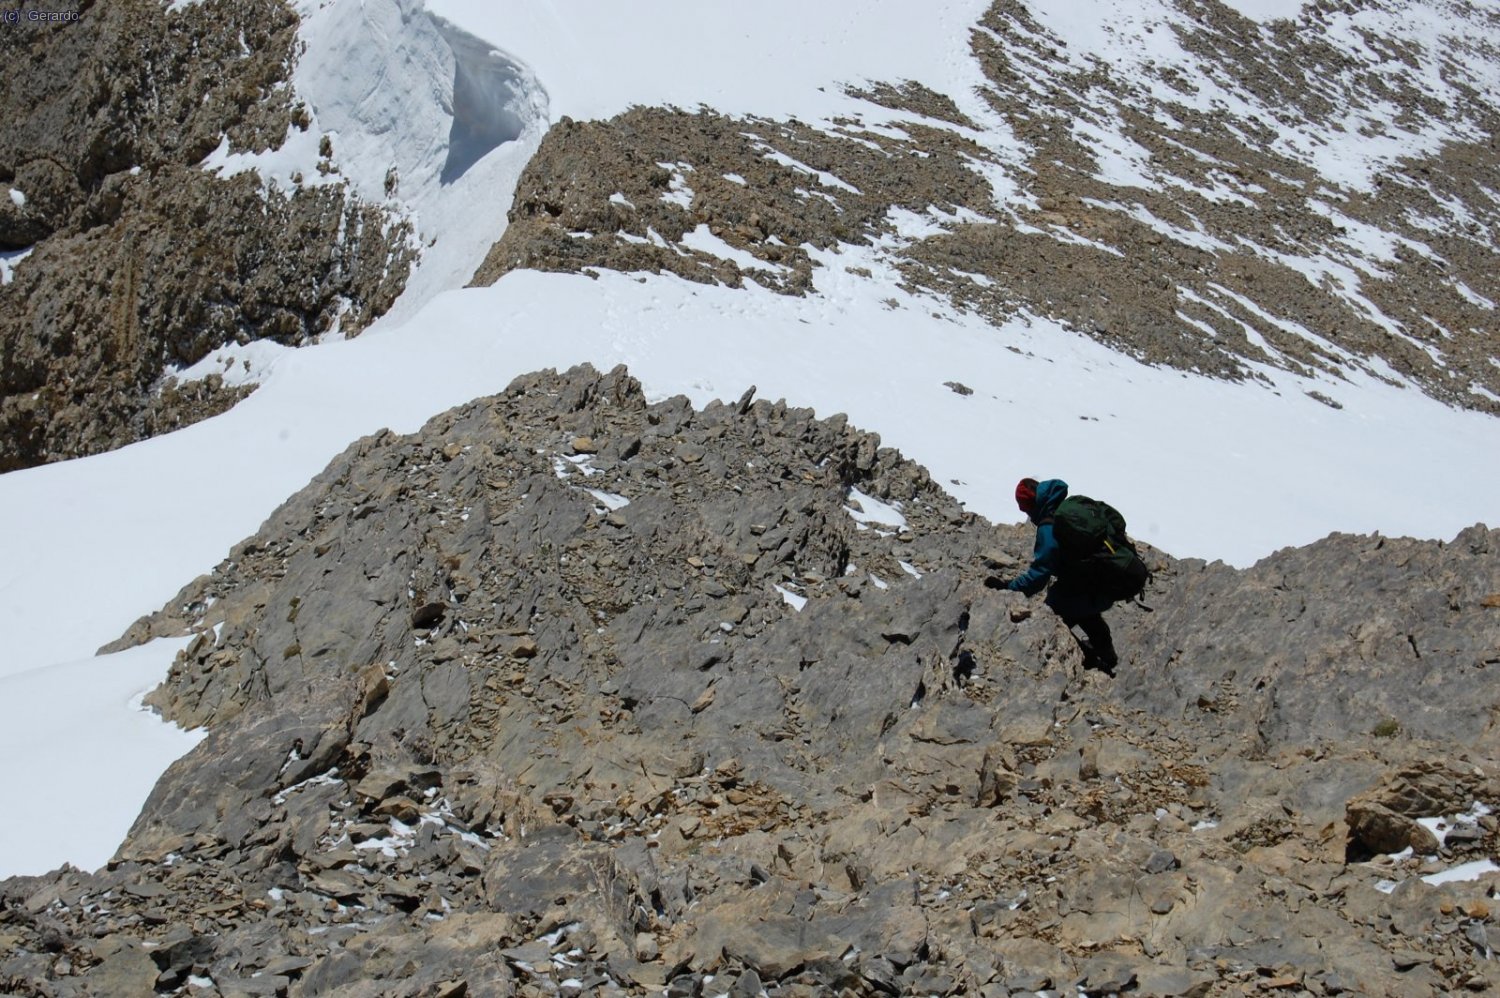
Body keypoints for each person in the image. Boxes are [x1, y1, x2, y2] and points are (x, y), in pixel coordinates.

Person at [984, 477, 1144, 675]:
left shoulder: (1049, 528)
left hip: (1101, 584)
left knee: (1051, 617)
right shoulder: (1067, 508)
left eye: (1025, 509)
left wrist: (1009, 588)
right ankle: (1107, 655)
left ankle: (1088, 659)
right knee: (1078, 604)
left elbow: (1039, 576)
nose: (1026, 514)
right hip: (1109, 579)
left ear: (1031, 506)